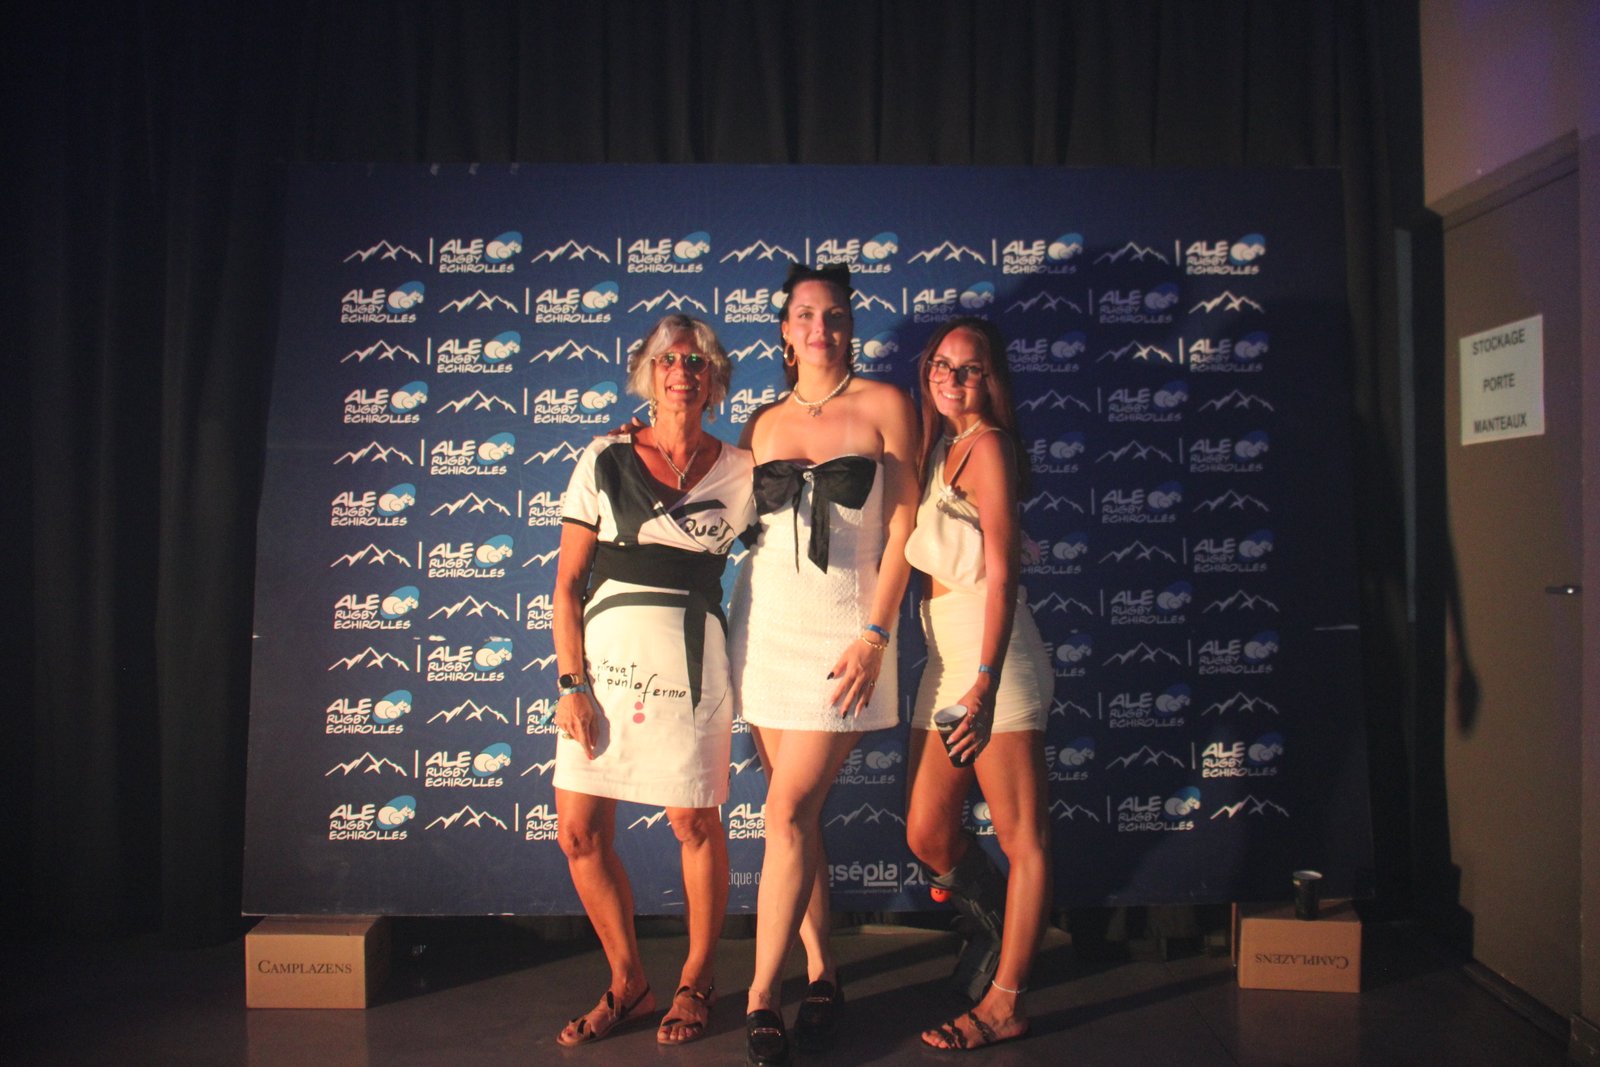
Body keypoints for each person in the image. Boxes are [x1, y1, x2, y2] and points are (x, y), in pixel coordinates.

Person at [729, 263, 919, 1066]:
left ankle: (759, 994)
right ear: (784, 329)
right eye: (805, 314)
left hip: (847, 636)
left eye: (834, 314)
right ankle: (823, 971)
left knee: (783, 814)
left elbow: (905, 525)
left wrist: (876, 634)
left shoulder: (886, 405)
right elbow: (730, 522)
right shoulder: (762, 422)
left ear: (850, 324)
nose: (820, 327)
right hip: (764, 632)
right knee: (798, 820)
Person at [549, 314, 754, 1048]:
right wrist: (571, 683)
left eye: (697, 361)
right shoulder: (603, 457)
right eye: (669, 360)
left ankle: (697, 978)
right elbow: (567, 584)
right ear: (648, 373)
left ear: (714, 378)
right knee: (579, 833)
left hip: (693, 665)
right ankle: (628, 980)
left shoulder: (745, 470)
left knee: (693, 822)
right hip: (603, 669)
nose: (682, 372)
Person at [901, 316, 1053, 1051]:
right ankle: (999, 934)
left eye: (969, 368)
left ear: (990, 379)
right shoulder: (941, 446)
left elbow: (1001, 571)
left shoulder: (988, 446)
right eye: (942, 364)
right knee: (927, 831)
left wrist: (986, 681)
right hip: (945, 656)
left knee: (1024, 839)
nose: (952, 378)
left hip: (994, 658)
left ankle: (1005, 1001)